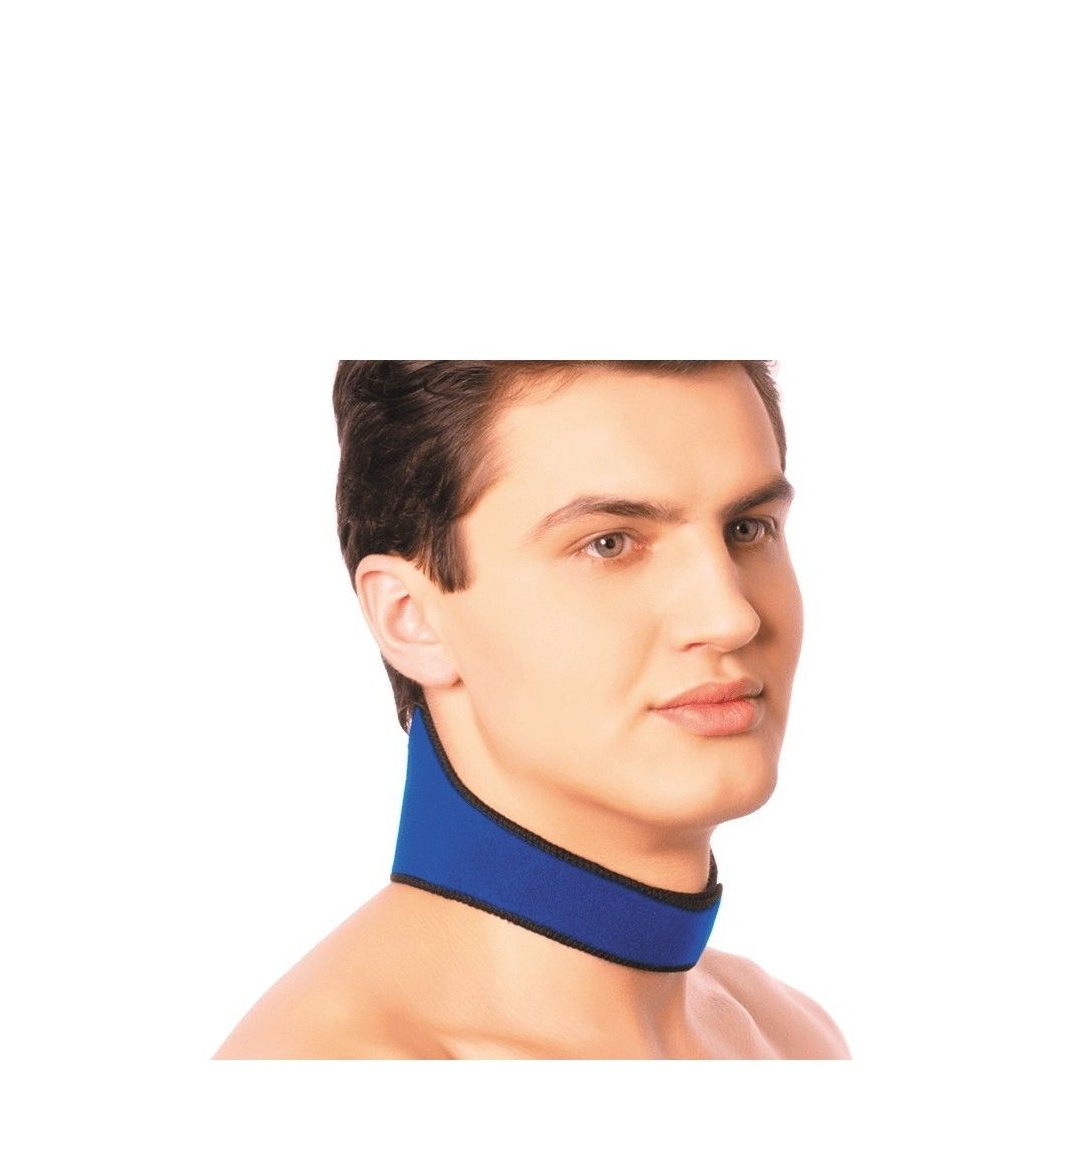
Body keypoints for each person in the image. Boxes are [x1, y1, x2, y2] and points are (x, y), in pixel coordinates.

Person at [213, 360, 850, 1059]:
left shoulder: (794, 1035)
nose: (731, 618)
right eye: (609, 543)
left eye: (748, 528)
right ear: (411, 619)